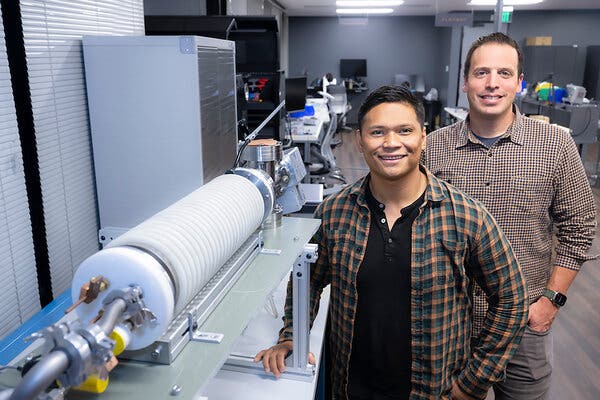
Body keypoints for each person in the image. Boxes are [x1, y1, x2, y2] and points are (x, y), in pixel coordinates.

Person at [255, 85, 528, 400]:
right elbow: (308, 281)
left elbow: (512, 299)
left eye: (404, 131)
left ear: (423, 137)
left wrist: (473, 382)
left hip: (433, 392)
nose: (391, 143)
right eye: (378, 132)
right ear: (359, 140)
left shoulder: (465, 216)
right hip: (350, 389)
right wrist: (291, 337)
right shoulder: (334, 212)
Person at [426, 32, 597, 400]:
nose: (491, 83)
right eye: (481, 72)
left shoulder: (555, 146)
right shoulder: (434, 147)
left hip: (524, 321)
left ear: (520, 83)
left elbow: (580, 227)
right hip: (449, 322)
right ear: (465, 80)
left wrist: (551, 301)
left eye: (504, 73)